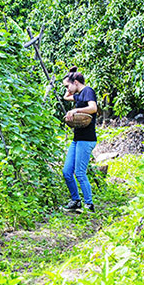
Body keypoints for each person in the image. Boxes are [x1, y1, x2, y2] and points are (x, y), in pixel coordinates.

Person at [62, 67, 98, 213]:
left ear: (76, 82)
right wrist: (70, 79)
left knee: (80, 172)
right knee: (66, 171)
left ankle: (89, 205)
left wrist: (75, 110)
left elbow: (93, 108)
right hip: (77, 139)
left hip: (87, 139)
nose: (67, 89)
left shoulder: (88, 91)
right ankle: (76, 201)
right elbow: (66, 97)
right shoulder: (79, 94)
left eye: (67, 85)